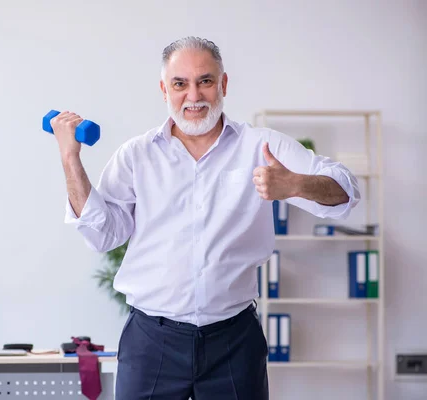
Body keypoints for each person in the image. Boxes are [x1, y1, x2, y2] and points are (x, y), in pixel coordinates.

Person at [50, 36, 360, 400]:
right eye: (180, 84)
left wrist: (293, 183)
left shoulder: (261, 147)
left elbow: (346, 193)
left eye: (205, 81)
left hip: (233, 341)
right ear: (164, 89)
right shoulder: (136, 155)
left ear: (223, 84)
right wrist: (71, 159)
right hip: (151, 342)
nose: (193, 96)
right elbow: (101, 235)